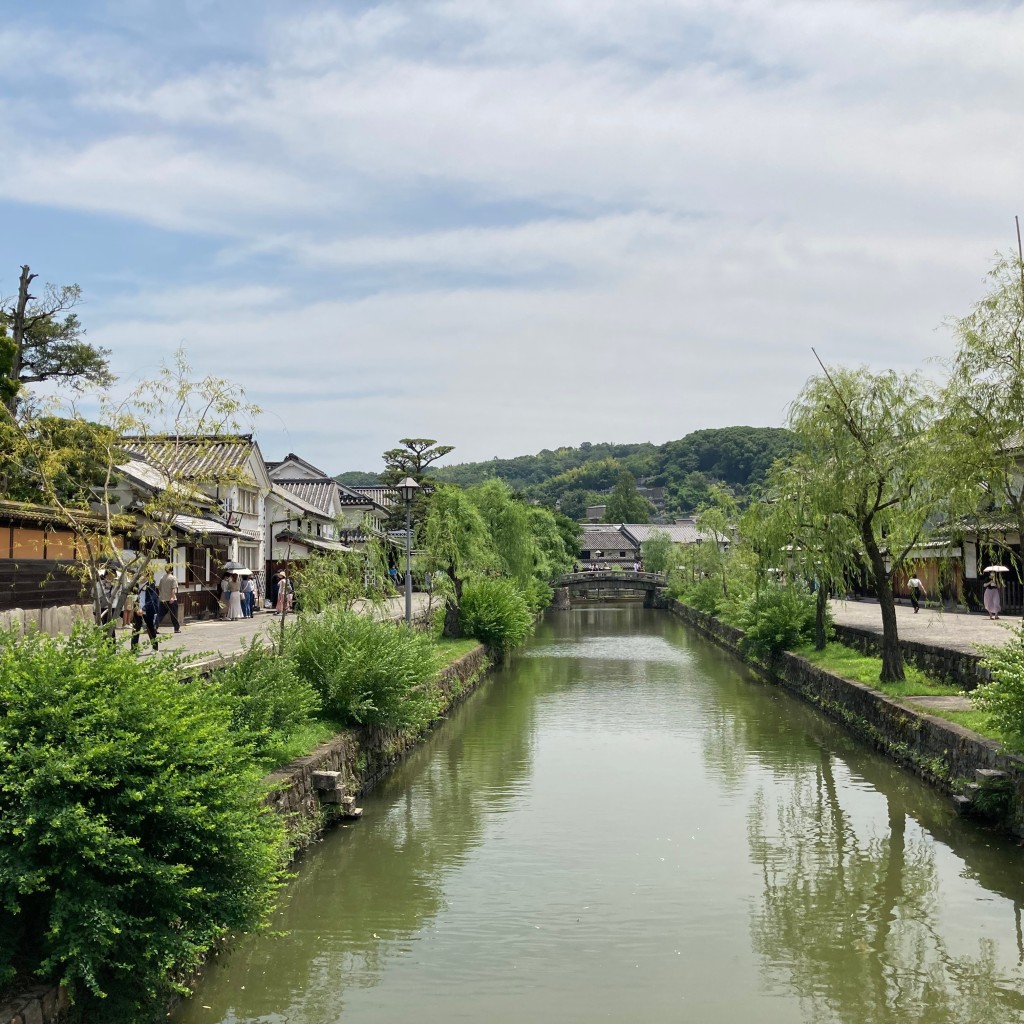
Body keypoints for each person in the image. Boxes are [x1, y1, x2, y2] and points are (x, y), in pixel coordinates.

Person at [131, 577, 160, 653]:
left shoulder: (151, 584)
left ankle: (155, 647)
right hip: (137, 610)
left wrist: (143, 609)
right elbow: (133, 597)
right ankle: (134, 649)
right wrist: (136, 608)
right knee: (135, 629)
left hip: (147, 610)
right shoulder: (135, 584)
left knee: (150, 629)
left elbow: (152, 599)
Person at [158, 567, 181, 633]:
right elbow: (173, 588)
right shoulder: (173, 578)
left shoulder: (162, 578)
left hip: (163, 599)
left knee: (160, 615)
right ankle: (176, 629)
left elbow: (159, 588)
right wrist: (172, 597)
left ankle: (154, 627)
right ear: (172, 570)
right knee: (174, 615)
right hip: (171, 599)